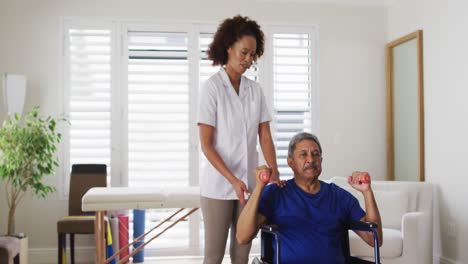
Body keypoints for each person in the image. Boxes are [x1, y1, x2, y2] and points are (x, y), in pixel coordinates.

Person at [197, 15, 281, 264]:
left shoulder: (255, 90)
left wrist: (274, 173)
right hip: (218, 187)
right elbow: (206, 145)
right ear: (229, 47)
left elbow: (264, 135)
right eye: (243, 52)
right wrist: (233, 179)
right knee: (213, 256)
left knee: (241, 254)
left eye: (252, 55)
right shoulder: (212, 88)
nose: (247, 60)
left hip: (249, 186)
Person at [236, 132, 383, 264]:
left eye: (315, 154)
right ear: (290, 161)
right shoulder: (276, 193)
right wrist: (259, 187)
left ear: (321, 160)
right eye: (303, 154)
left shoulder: (338, 196)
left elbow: (375, 239)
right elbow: (242, 237)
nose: (310, 159)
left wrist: (367, 192)